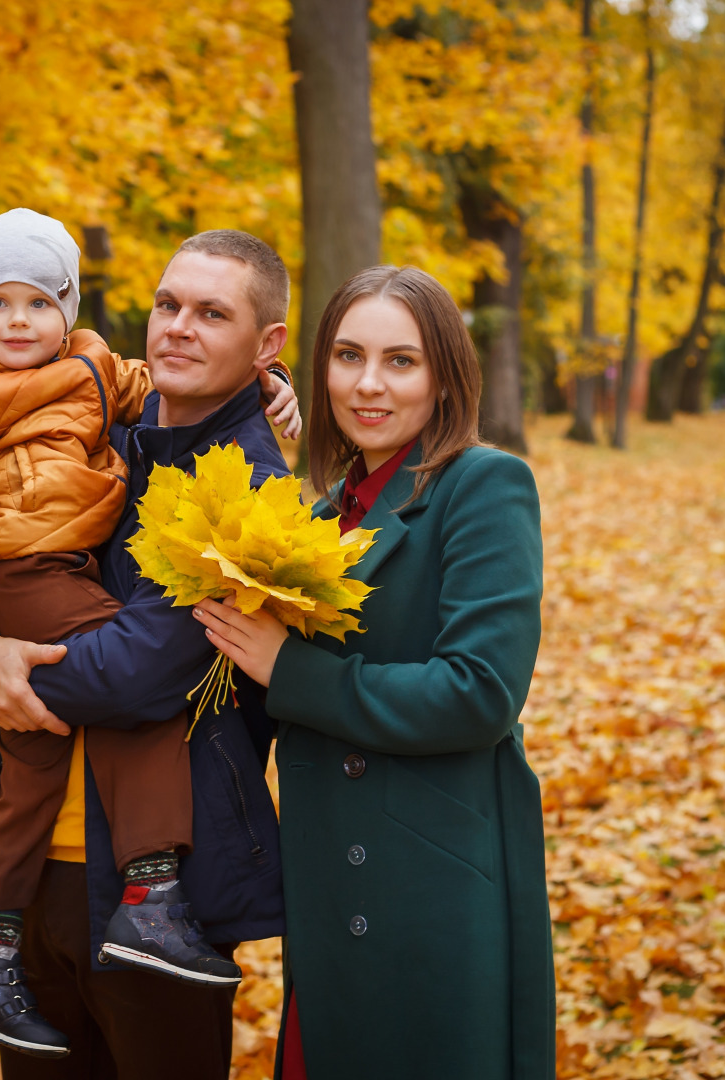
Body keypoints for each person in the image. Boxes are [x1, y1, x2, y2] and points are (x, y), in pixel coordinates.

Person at [0, 211, 298, 1057]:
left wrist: (3, 679)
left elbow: (138, 677)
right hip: (34, 864)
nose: (178, 328)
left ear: (268, 346)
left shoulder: (252, 487)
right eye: (167, 305)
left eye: (212, 314)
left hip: (156, 889)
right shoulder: (98, 425)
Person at [196, 265, 556, 1078]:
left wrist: (290, 671)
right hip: (330, 889)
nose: (368, 384)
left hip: (432, 889)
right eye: (348, 356)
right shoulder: (320, 515)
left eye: (401, 361)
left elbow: (481, 693)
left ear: (444, 375)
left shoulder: (483, 487)